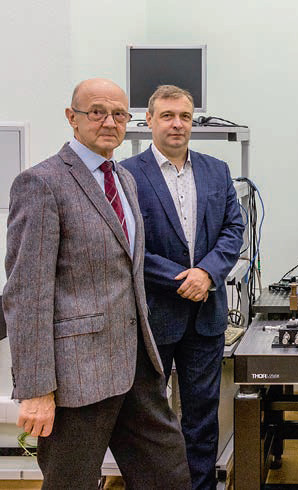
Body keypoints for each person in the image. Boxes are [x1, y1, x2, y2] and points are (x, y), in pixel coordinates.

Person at [3, 78, 190, 489]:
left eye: (119, 114)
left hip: (137, 367)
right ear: (72, 118)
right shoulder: (42, 183)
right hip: (78, 376)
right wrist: (36, 390)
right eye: (97, 112)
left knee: (169, 475)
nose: (110, 122)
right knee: (71, 482)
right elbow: (27, 294)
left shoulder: (124, 179)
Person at [121, 85, 244, 490]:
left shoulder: (216, 170)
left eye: (185, 117)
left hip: (206, 316)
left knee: (202, 417)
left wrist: (206, 273)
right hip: (154, 316)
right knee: (149, 419)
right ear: (150, 121)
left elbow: (233, 229)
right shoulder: (126, 174)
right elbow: (128, 243)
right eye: (168, 116)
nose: (177, 124)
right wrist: (183, 279)